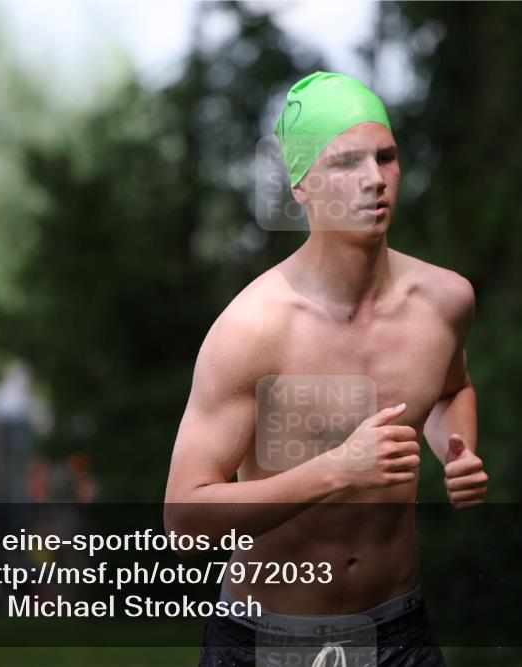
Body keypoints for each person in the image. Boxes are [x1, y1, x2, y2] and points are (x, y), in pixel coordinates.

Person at [164, 71, 487, 667]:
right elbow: (185, 520)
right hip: (266, 640)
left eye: (386, 157)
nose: (374, 180)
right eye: (345, 163)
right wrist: (338, 470)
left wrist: (457, 450)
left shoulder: (444, 303)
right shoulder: (254, 329)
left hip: (399, 632)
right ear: (301, 187)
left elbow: (450, 387)